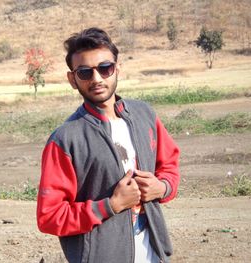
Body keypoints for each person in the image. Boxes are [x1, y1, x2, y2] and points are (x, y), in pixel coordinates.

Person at [36, 27, 180, 263]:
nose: (96, 79)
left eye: (105, 68)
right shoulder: (65, 140)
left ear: (117, 69)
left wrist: (161, 188)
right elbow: (49, 217)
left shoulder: (145, 115)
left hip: (154, 252)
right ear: (72, 79)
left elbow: (170, 165)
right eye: (85, 72)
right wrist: (111, 205)